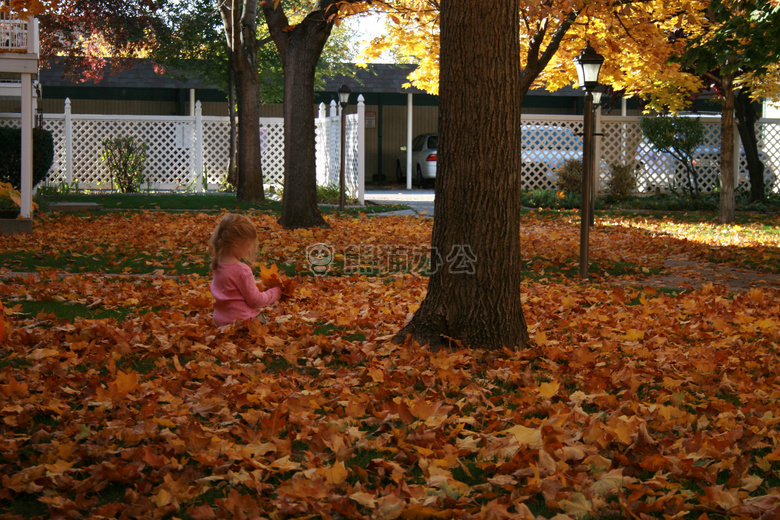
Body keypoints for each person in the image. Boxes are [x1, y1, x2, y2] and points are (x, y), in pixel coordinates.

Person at [209, 214, 281, 327]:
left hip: (221, 321)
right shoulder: (242, 270)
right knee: (272, 325)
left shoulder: (218, 264)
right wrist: (276, 292)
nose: (248, 250)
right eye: (247, 246)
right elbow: (255, 301)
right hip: (243, 322)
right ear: (236, 243)